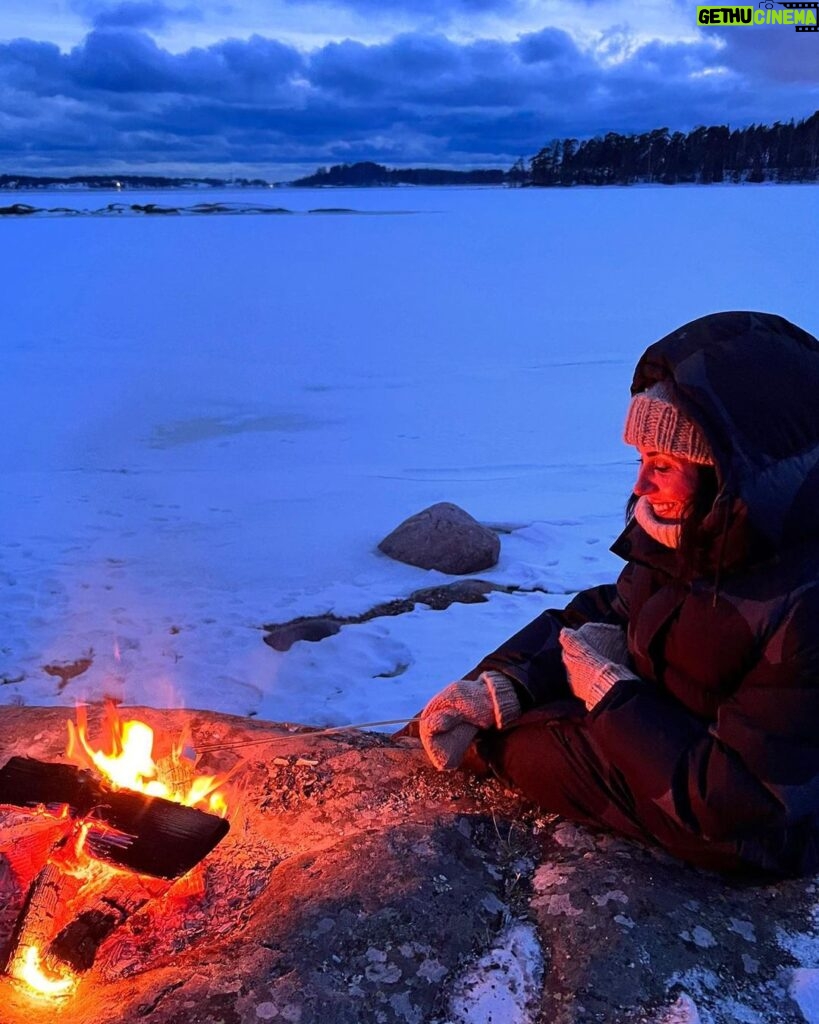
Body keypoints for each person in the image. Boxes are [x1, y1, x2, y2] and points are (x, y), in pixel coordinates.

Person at [418, 310, 819, 879]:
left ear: (727, 474)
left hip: (758, 829)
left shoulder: (803, 604)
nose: (639, 486)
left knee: (521, 749)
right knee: (503, 718)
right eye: (639, 459)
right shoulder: (701, 530)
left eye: (662, 464)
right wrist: (506, 684)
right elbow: (620, 608)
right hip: (679, 746)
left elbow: (737, 797)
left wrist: (615, 699)